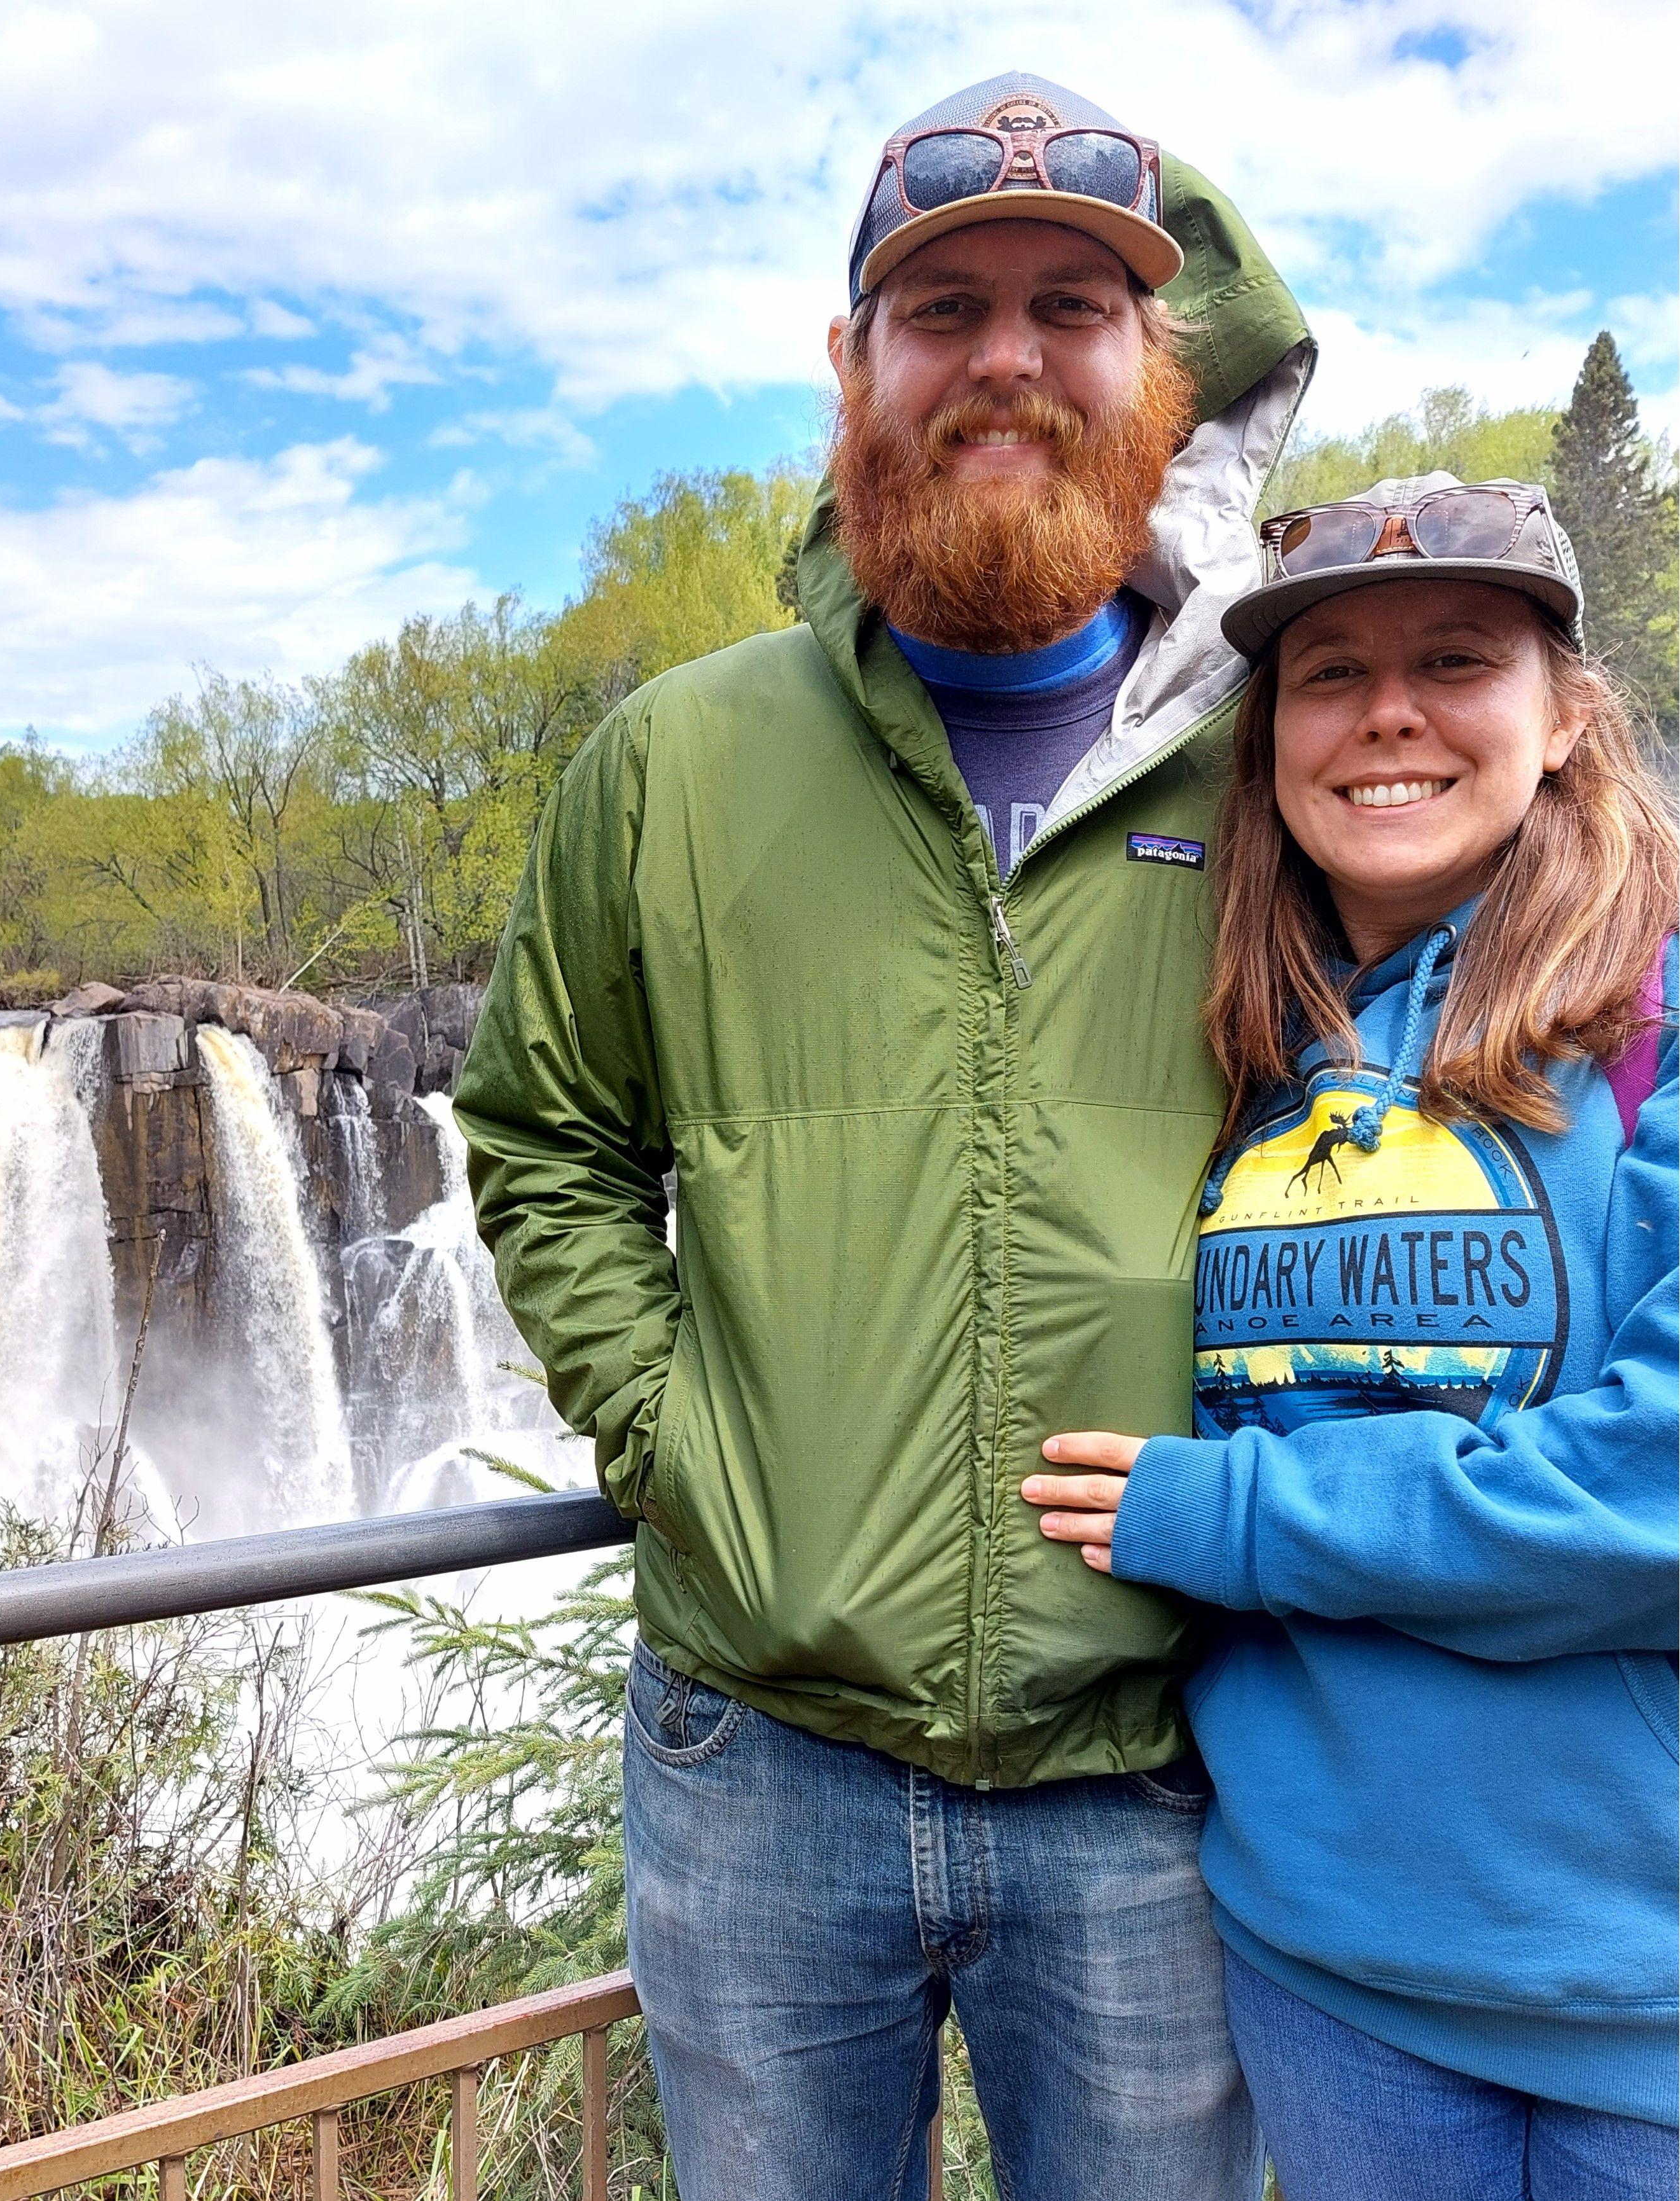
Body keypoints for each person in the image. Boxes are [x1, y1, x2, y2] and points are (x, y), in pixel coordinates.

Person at [454, 71, 1312, 2201]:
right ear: (853, 367)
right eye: (942, 310)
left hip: (1161, 1766)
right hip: (757, 1761)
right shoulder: (671, 762)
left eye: (1067, 307)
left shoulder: (1292, 754)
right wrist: (682, 1442)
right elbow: (545, 1131)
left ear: (1154, 371)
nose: (1004, 358)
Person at [1023, 475, 1679, 2198]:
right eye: (1326, 675)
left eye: (1455, 657)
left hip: (1644, 2000)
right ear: (1269, 750)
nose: (1386, 713)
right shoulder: (1228, 1055)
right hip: (1324, 1982)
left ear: (1560, 724)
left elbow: (1654, 1498)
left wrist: (1233, 1520)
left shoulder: (1656, 1026)